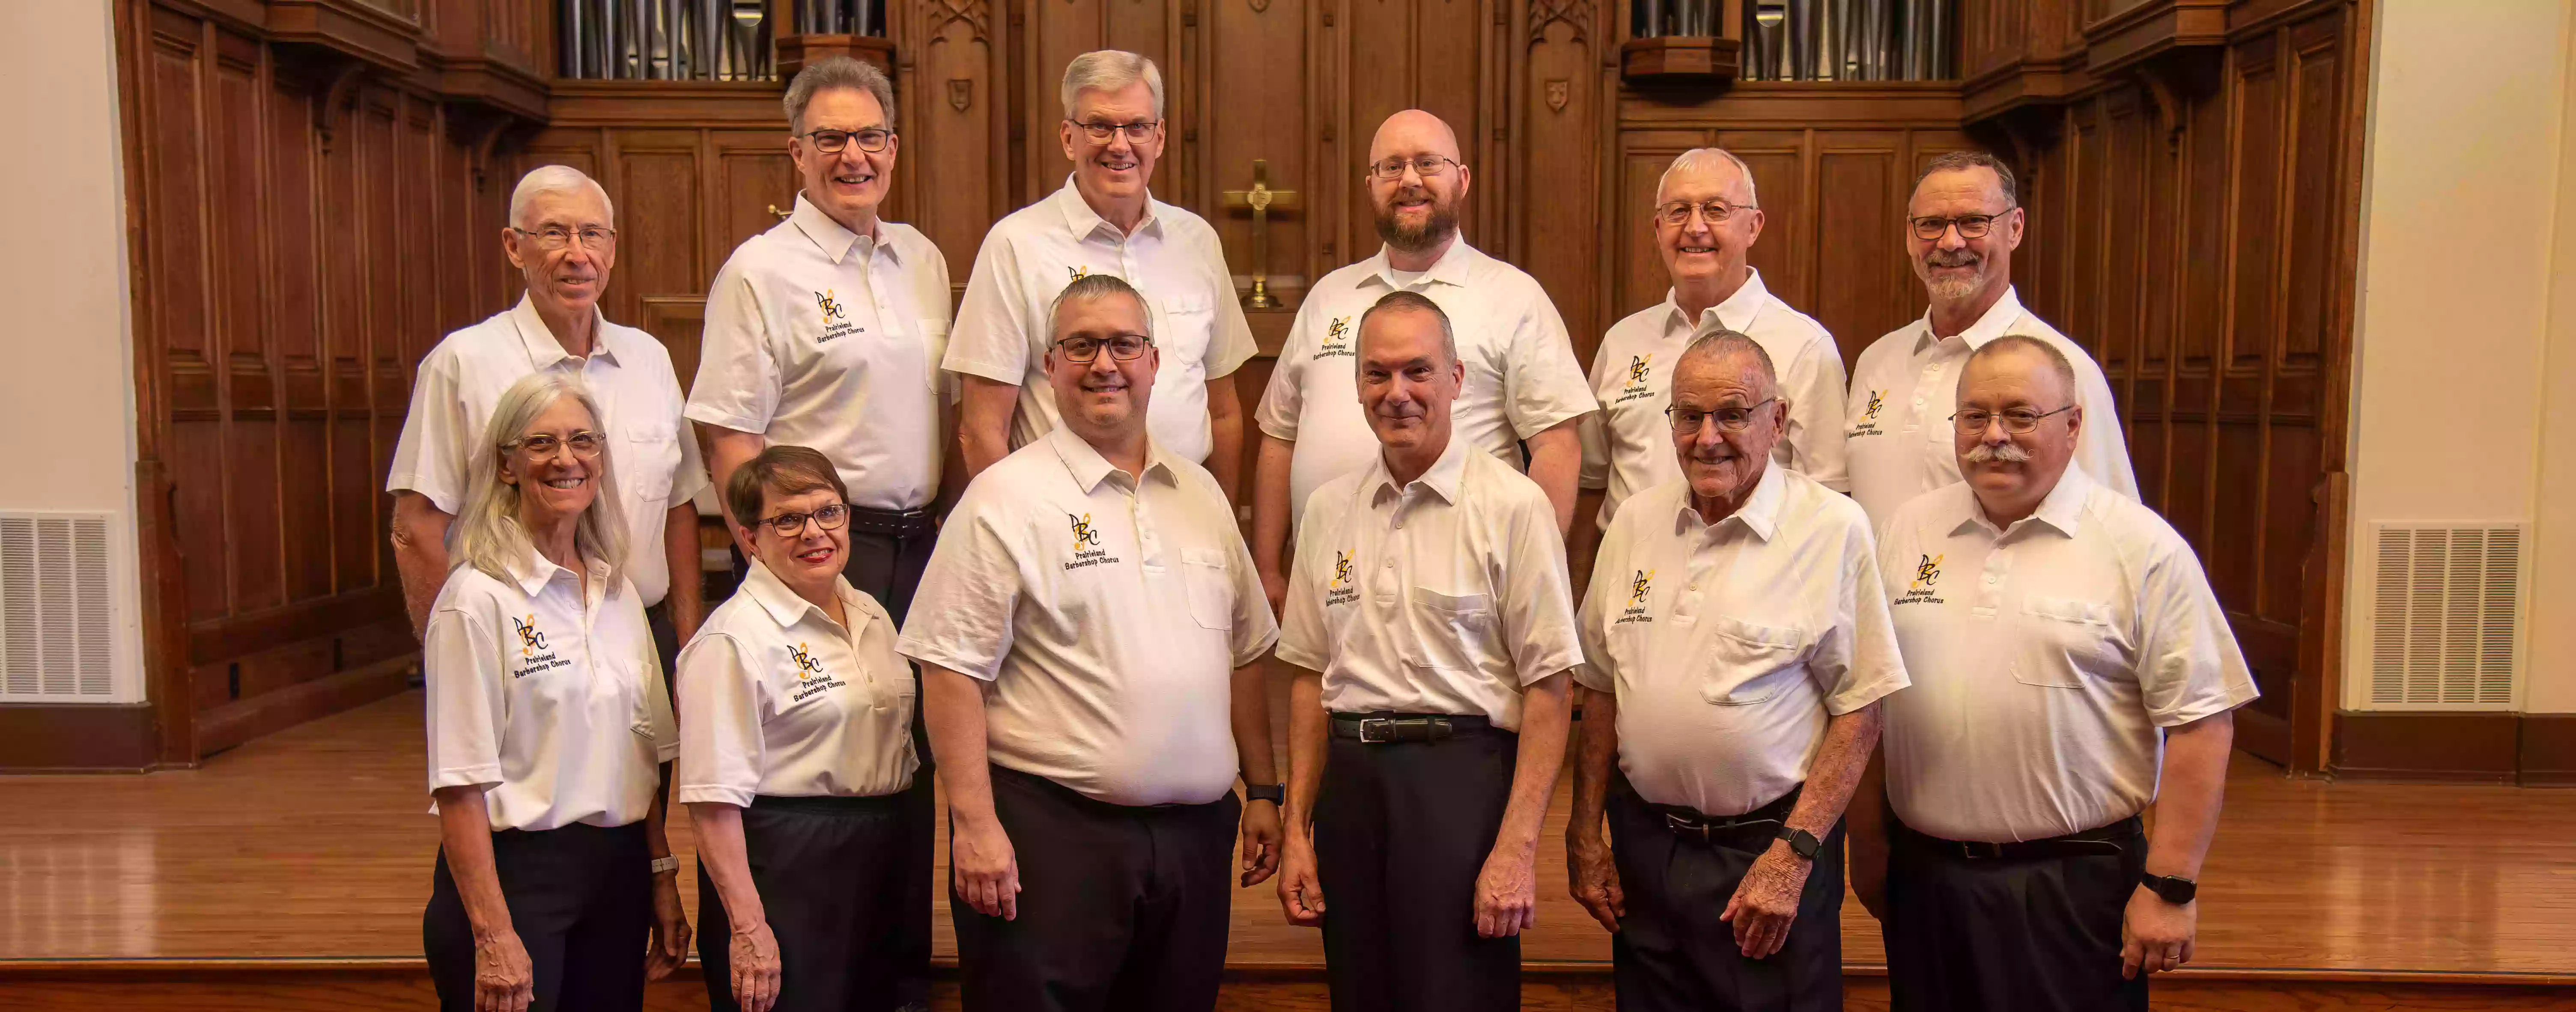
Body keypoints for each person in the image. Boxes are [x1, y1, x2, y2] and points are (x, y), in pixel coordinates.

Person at [899, 274, 1283, 1012]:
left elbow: (1243, 653)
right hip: (1054, 836)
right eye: (1080, 345)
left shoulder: (1201, 494)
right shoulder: (1004, 498)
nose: (1103, 362)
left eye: (1123, 343)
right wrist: (975, 826)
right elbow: (948, 671)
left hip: (1194, 841)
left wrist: (1263, 788)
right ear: (1049, 366)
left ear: (1155, 360)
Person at [1850, 336, 2256, 1011]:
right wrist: (1867, 846)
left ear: (2072, 426)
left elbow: (2203, 721)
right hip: (1928, 880)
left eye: (2021, 415)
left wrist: (2171, 887)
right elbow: (1869, 698)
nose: (1994, 436)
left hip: (2076, 887)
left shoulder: (2140, 547)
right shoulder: (1905, 532)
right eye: (1974, 417)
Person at [683, 57, 951, 1008]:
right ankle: (776, 946)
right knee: (808, 755)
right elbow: (728, 433)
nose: (853, 156)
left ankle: (891, 975)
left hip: (921, 546)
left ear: (893, 148)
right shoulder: (762, 272)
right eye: (830, 139)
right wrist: (770, 561)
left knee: (899, 769)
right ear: (795, 153)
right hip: (819, 544)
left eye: (870, 137)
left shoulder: (921, 258)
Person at [1565, 330, 1903, 1012]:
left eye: (1733, 414)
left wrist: (1793, 855)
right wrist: (1584, 833)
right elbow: (1601, 689)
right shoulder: (1633, 523)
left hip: (1766, 855)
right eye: (1688, 416)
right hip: (1647, 853)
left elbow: (1862, 708)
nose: (1708, 437)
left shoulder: (1833, 528)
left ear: (1776, 421)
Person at [1273, 291, 1580, 1012]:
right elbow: (1309, 679)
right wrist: (1297, 828)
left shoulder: (1513, 506)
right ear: (1356, 387)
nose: (1398, 392)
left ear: (1457, 378)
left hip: (1460, 785)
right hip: (1352, 788)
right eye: (1377, 374)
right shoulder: (1327, 510)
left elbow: (1550, 689)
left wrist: (1515, 849)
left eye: (1418, 370)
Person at [420, 372, 689, 1012]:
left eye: (582, 441)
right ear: (507, 465)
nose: (566, 459)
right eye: (542, 443)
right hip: (516, 879)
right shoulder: (475, 599)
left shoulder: (618, 588)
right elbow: (459, 785)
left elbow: (643, 752)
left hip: (617, 872)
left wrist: (659, 875)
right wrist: (493, 935)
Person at [1252, 109, 1594, 610]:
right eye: (1391, 167)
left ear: (1462, 179)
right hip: (1331, 583)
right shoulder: (1329, 296)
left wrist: (1531, 574)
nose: (1409, 180)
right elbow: (1280, 437)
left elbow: (1557, 448)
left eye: (1427, 164)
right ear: (1370, 185)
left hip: (1461, 591)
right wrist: (1266, 567)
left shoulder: (1513, 296)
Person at [390, 165, 710, 679]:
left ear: (612, 248)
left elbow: (678, 510)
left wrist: (689, 650)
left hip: (644, 637)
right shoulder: (463, 363)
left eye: (592, 235)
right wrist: (454, 667)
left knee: (647, 765)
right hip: (522, 645)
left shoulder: (650, 358)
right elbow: (417, 528)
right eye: (555, 233)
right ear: (514, 247)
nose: (576, 254)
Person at [945, 50, 1257, 502]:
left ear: (1160, 137)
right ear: (1069, 138)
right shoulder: (1015, 245)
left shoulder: (1197, 242)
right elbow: (981, 429)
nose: (1119, 144)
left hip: (1182, 513)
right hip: (1062, 523)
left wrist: (1222, 527)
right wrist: (1015, 534)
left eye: (1136, 127)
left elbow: (1224, 413)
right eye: (1099, 127)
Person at [677, 445, 921, 1012]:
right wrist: (748, 927)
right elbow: (712, 803)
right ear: (749, 537)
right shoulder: (732, 642)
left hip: (879, 856)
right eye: (788, 519)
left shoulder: (872, 615)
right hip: (785, 868)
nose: (814, 532)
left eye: (828, 511)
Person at [1843, 150, 2136, 526]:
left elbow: (2114, 526)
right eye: (1931, 224)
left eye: (1973, 222)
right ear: (1909, 235)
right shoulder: (1877, 360)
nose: (1950, 242)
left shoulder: (2064, 368)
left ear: (2014, 229)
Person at [1579, 149, 1848, 535]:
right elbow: (1593, 484)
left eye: (1716, 210)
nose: (1695, 227)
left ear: (1753, 227)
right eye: (1677, 212)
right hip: (1634, 579)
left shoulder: (1805, 347)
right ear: (1658, 228)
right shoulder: (1622, 342)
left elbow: (1826, 506)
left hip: (1756, 579)